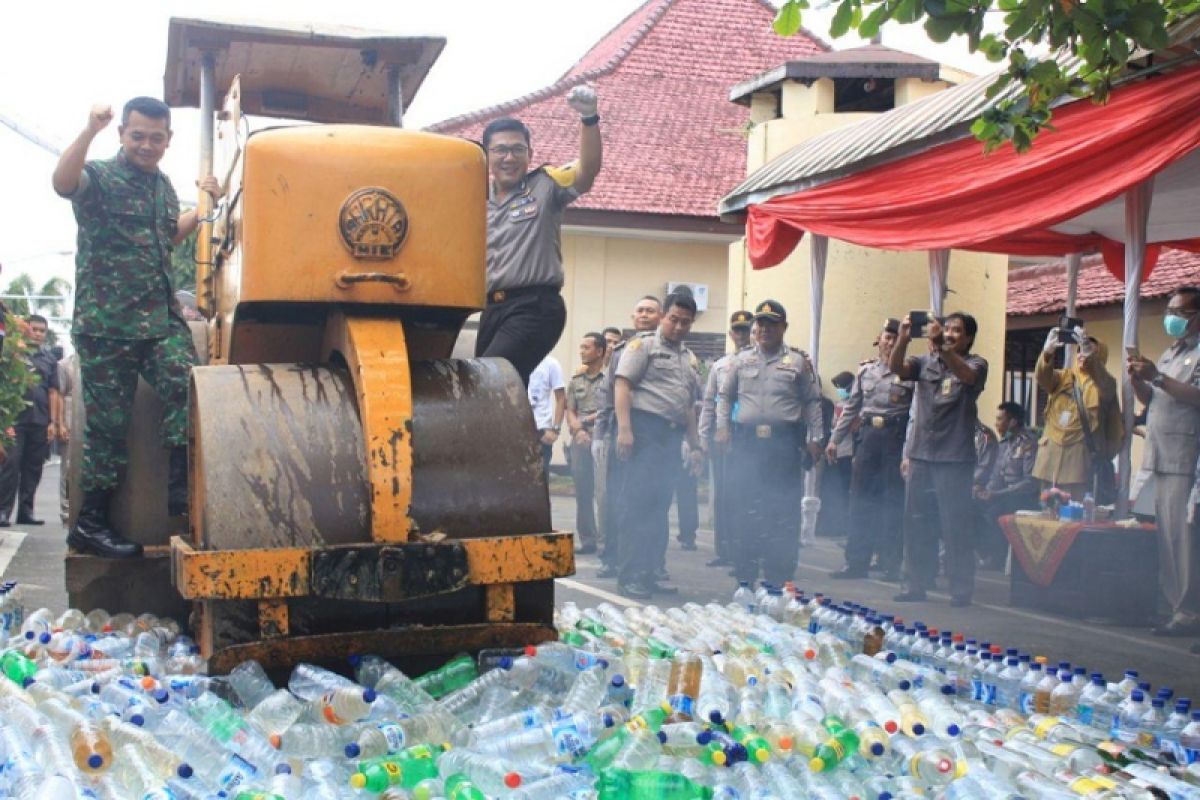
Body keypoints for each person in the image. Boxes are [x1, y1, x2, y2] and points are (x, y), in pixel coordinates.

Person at [52, 98, 220, 558]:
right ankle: (90, 525)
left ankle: (183, 495)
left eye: (157, 137)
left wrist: (205, 204)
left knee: (188, 387)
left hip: (158, 321)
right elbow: (63, 183)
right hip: (108, 325)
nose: (147, 145)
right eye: (138, 135)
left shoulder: (163, 187)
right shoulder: (102, 177)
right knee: (108, 426)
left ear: (168, 140)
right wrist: (88, 130)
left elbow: (167, 236)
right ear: (123, 134)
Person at [476, 87, 603, 386]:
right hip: (492, 309)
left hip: (535, 307)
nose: (509, 157)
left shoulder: (545, 185)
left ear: (530, 154)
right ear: (485, 156)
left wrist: (589, 119)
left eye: (518, 149)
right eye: (500, 150)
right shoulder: (475, 198)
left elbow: (588, 170)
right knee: (487, 393)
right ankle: (520, 434)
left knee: (490, 381)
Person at [716, 300, 824, 586]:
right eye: (760, 324)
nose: (763, 329)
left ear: (783, 328)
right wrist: (722, 428)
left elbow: (812, 402)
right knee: (744, 506)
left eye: (771, 324)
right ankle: (745, 570)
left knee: (782, 509)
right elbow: (725, 397)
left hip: (784, 443)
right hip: (747, 443)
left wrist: (815, 438)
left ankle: (780, 573)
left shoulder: (799, 363)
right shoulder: (741, 360)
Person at [889, 311, 988, 607]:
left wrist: (943, 349)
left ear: (969, 337)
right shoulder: (924, 361)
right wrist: (904, 339)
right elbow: (897, 368)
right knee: (915, 523)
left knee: (955, 525)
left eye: (957, 331)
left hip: (954, 457)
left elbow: (968, 378)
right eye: (946, 329)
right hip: (921, 453)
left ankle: (960, 589)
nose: (949, 334)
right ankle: (915, 584)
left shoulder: (976, 363)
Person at [612, 292, 702, 598]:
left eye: (685, 322)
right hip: (644, 431)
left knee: (659, 507)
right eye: (673, 319)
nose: (678, 326)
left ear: (692, 323)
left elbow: (689, 405)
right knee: (637, 505)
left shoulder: (688, 358)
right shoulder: (643, 345)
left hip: (671, 437)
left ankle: (650, 572)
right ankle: (629, 576)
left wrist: (696, 444)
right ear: (664, 315)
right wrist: (625, 430)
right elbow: (623, 385)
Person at [1128, 287, 1200, 637]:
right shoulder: (1172, 351)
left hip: (1185, 455)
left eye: (1181, 312)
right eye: (1169, 310)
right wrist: (1140, 381)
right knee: (1168, 537)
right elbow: (1154, 400)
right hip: (1159, 452)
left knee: (1182, 538)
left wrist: (1157, 377)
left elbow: (1196, 396)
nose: (1172, 317)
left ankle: (1187, 612)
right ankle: (1176, 606)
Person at [828, 318, 913, 580]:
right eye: (886, 337)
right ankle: (856, 562)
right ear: (879, 341)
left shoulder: (910, 372)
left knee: (892, 503)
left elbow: (915, 416)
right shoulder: (865, 372)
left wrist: (908, 452)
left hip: (894, 438)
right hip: (867, 439)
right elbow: (852, 407)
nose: (890, 342)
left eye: (895, 338)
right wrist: (834, 439)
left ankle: (889, 564)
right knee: (860, 501)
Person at [594, 296, 663, 578]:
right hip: (621, 431)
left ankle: (654, 564)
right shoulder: (623, 350)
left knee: (653, 502)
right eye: (640, 310)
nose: (644, 315)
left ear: (661, 316)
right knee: (616, 497)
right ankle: (612, 558)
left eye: (650, 310)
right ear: (633, 317)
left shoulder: (668, 349)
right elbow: (607, 393)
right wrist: (600, 434)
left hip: (652, 434)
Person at [1034, 329, 1121, 500]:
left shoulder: (1104, 383)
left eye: (1089, 352)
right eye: (1080, 350)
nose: (1082, 355)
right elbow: (1043, 377)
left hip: (1078, 458)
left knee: (1073, 511)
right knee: (1047, 509)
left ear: (1099, 358)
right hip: (1050, 456)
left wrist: (1092, 361)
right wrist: (1047, 353)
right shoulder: (1064, 377)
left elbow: (1106, 386)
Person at [698, 311, 753, 568]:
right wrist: (703, 435)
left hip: (749, 434)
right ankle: (725, 549)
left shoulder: (758, 361)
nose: (741, 335)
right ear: (731, 333)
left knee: (748, 493)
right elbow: (710, 401)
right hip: (723, 433)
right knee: (723, 493)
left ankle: (749, 550)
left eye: (746, 329)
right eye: (737, 330)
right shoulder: (720, 365)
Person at [0, 315, 60, 527]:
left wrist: (53, 422)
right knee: (11, 465)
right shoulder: (12, 353)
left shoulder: (49, 359)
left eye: (42, 331)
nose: (38, 333)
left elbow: (53, 391)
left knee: (33, 468)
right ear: (25, 330)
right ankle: (3, 511)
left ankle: (26, 512)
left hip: (40, 420)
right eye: (34, 329)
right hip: (15, 420)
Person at [974, 402, 1039, 569]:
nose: (996, 423)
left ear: (1013, 422)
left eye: (1000, 419)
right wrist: (983, 490)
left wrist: (996, 494)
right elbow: (996, 475)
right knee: (969, 507)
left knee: (994, 511)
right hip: (1000, 494)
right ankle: (986, 552)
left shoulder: (1028, 443)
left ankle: (996, 558)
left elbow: (1030, 482)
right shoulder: (1003, 443)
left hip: (1021, 497)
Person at [565, 333, 607, 554]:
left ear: (599, 351)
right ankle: (588, 539)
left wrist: (585, 422)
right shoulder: (576, 381)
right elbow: (569, 410)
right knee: (583, 491)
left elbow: (608, 409)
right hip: (580, 439)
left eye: (586, 347)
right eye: (581, 347)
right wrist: (578, 429)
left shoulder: (609, 379)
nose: (581, 351)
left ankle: (607, 539)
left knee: (604, 491)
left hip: (602, 438)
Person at [818, 370, 856, 540]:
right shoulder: (838, 404)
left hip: (848, 453)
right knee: (830, 490)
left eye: (841, 387)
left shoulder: (856, 406)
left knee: (843, 492)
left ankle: (841, 526)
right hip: (833, 452)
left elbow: (853, 428)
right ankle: (829, 525)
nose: (839, 390)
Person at [527, 354, 565, 478]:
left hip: (541, 429)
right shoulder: (514, 358)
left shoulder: (550, 363)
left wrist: (556, 429)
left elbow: (561, 398)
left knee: (540, 477)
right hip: (517, 428)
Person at [56, 350, 78, 525]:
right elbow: (59, 395)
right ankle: (66, 509)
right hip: (70, 417)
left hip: (88, 416)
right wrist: (60, 423)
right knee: (68, 467)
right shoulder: (64, 365)